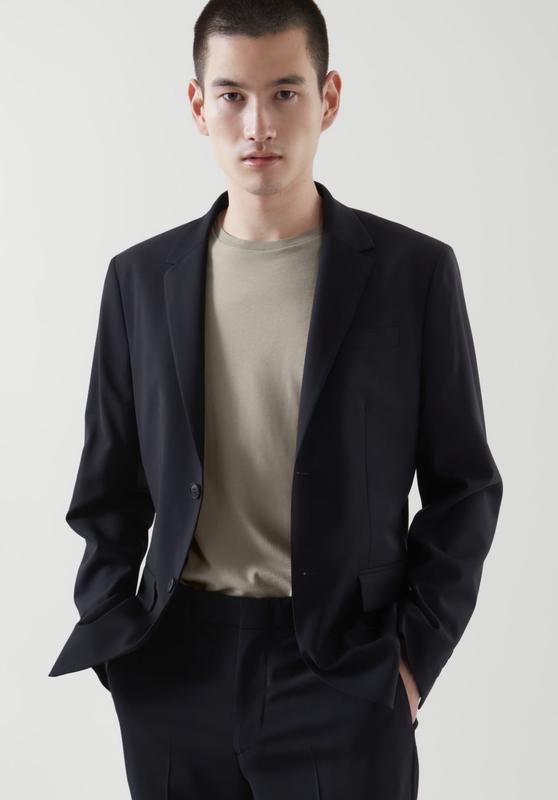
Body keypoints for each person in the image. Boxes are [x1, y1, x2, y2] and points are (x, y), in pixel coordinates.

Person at [49, 2, 503, 798]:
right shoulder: (139, 281)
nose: (257, 124)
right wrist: (122, 643)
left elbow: (464, 487)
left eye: (285, 92)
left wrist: (409, 662)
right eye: (232, 95)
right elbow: (107, 490)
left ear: (329, 98)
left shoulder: (413, 274)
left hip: (344, 671)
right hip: (176, 669)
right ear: (199, 106)